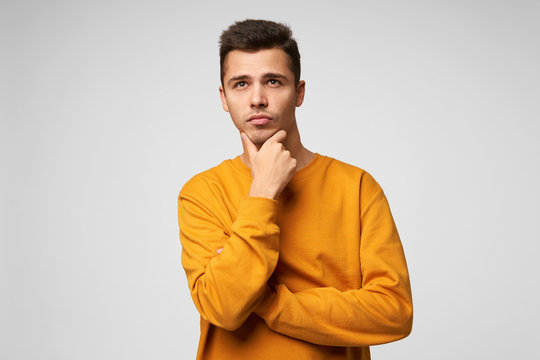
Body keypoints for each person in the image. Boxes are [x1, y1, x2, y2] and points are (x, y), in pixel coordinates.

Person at [178, 19, 412, 359]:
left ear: (299, 92)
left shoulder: (357, 187)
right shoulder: (202, 193)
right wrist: (263, 192)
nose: (257, 99)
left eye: (273, 81)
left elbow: (394, 312)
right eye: (241, 84)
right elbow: (224, 308)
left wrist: (270, 302)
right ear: (224, 97)